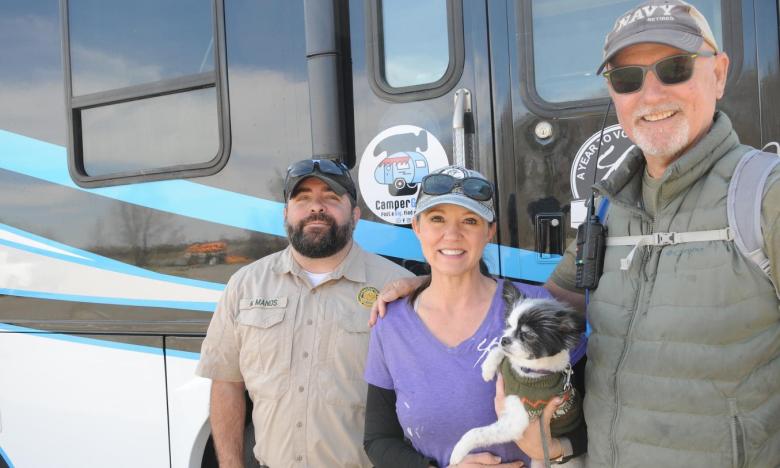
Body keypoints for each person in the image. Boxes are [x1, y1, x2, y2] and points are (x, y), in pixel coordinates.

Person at [373, 2, 779, 466]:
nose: (650, 95)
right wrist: (435, 283)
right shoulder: (608, 209)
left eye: (674, 68)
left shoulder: (766, 198)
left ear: (720, 74)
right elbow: (546, 309)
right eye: (627, 79)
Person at [363, 165, 587, 467]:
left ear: (489, 230)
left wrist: (553, 448)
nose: (452, 235)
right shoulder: (392, 324)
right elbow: (378, 440)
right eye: (437, 219)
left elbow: (595, 416)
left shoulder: (533, 306)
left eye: (469, 220)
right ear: (417, 227)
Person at [196, 158, 412, 467]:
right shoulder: (245, 285)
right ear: (286, 214)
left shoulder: (394, 287)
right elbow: (227, 383)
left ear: (355, 215)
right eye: (303, 198)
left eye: (331, 197)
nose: (316, 207)